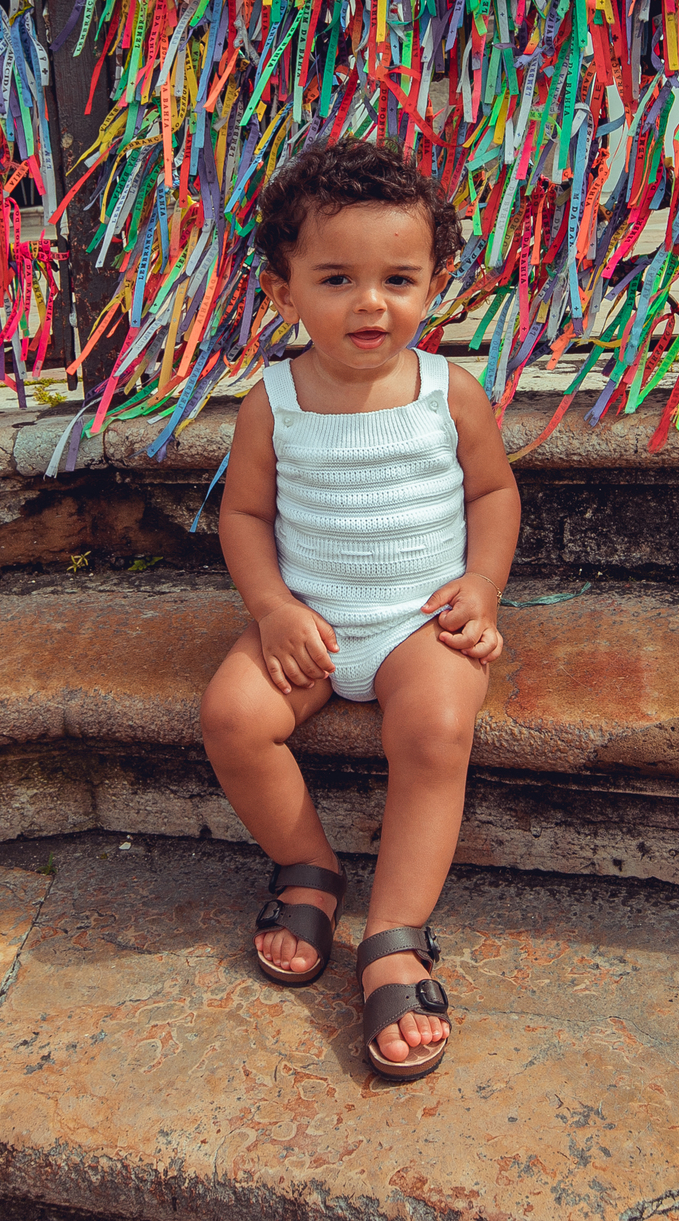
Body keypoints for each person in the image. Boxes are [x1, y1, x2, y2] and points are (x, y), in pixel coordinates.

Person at [200, 138, 521, 1082]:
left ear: (436, 285)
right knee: (232, 717)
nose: (370, 302)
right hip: (310, 620)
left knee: (434, 730)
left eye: (399, 278)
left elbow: (493, 497)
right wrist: (269, 608)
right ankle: (307, 867)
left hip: (422, 622)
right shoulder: (272, 401)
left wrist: (481, 590)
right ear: (282, 289)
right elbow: (247, 513)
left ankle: (394, 934)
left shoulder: (446, 392)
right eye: (337, 277)